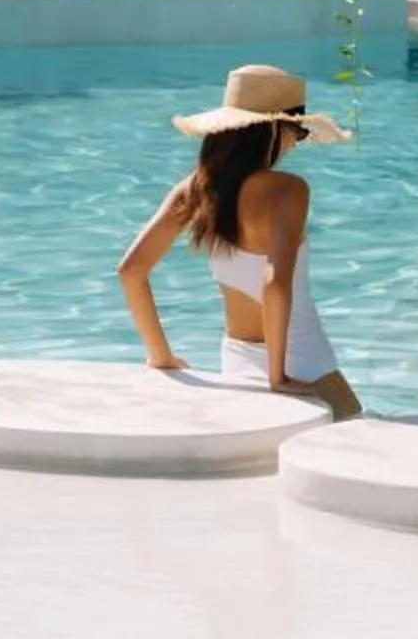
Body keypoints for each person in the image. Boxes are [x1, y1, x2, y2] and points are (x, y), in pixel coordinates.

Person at [117, 63, 363, 418]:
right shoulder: (287, 190)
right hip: (302, 360)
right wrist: (278, 378)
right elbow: (274, 283)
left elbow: (131, 271)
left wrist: (161, 355)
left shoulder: (196, 189)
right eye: (299, 131)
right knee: (359, 436)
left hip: (235, 359)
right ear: (276, 129)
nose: (298, 141)